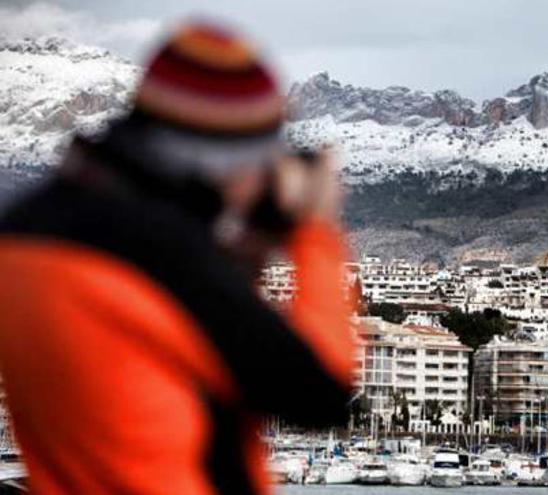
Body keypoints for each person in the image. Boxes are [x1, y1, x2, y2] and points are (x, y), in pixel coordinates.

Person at [0, 22, 355, 495]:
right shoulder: (158, 254)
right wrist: (315, 231)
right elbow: (321, 393)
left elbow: (202, 357)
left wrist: (244, 250)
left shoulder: (25, 226)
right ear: (228, 161)